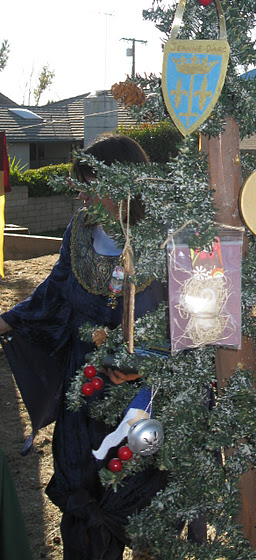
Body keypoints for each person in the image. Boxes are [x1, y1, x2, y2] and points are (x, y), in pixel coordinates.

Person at [0, 134, 167, 560]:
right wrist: (9, 319)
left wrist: (146, 364)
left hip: (144, 397)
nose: (82, 195)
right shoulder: (78, 232)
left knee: (142, 499)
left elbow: (184, 318)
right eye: (81, 184)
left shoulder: (165, 236)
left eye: (91, 184)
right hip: (84, 389)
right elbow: (54, 292)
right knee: (83, 490)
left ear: (124, 184)